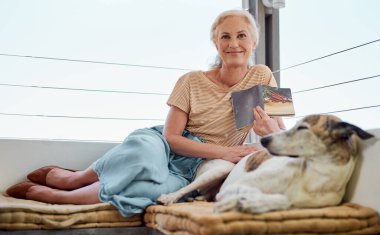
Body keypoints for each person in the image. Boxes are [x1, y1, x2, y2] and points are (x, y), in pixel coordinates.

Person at [6, 9, 285, 217]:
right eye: (225, 36)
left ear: (254, 43)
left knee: (148, 191)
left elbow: (282, 132)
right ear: (216, 43)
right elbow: (171, 136)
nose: (233, 43)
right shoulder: (190, 80)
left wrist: (266, 132)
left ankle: (60, 198)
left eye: (241, 36)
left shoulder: (263, 75)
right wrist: (224, 153)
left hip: (193, 166)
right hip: (165, 144)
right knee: (142, 154)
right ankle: (75, 179)